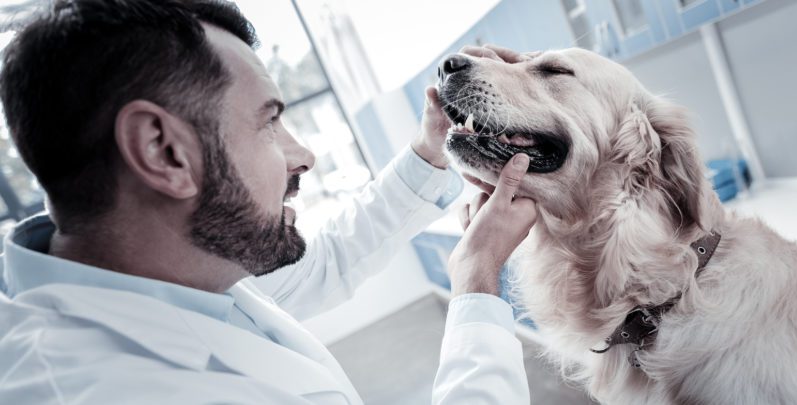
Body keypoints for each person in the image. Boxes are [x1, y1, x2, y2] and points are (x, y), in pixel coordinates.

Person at [0, 0, 537, 403]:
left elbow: (321, 264)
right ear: (162, 150)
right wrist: (477, 278)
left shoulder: (171, 272)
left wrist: (429, 148)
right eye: (269, 121)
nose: (303, 156)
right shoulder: (105, 391)